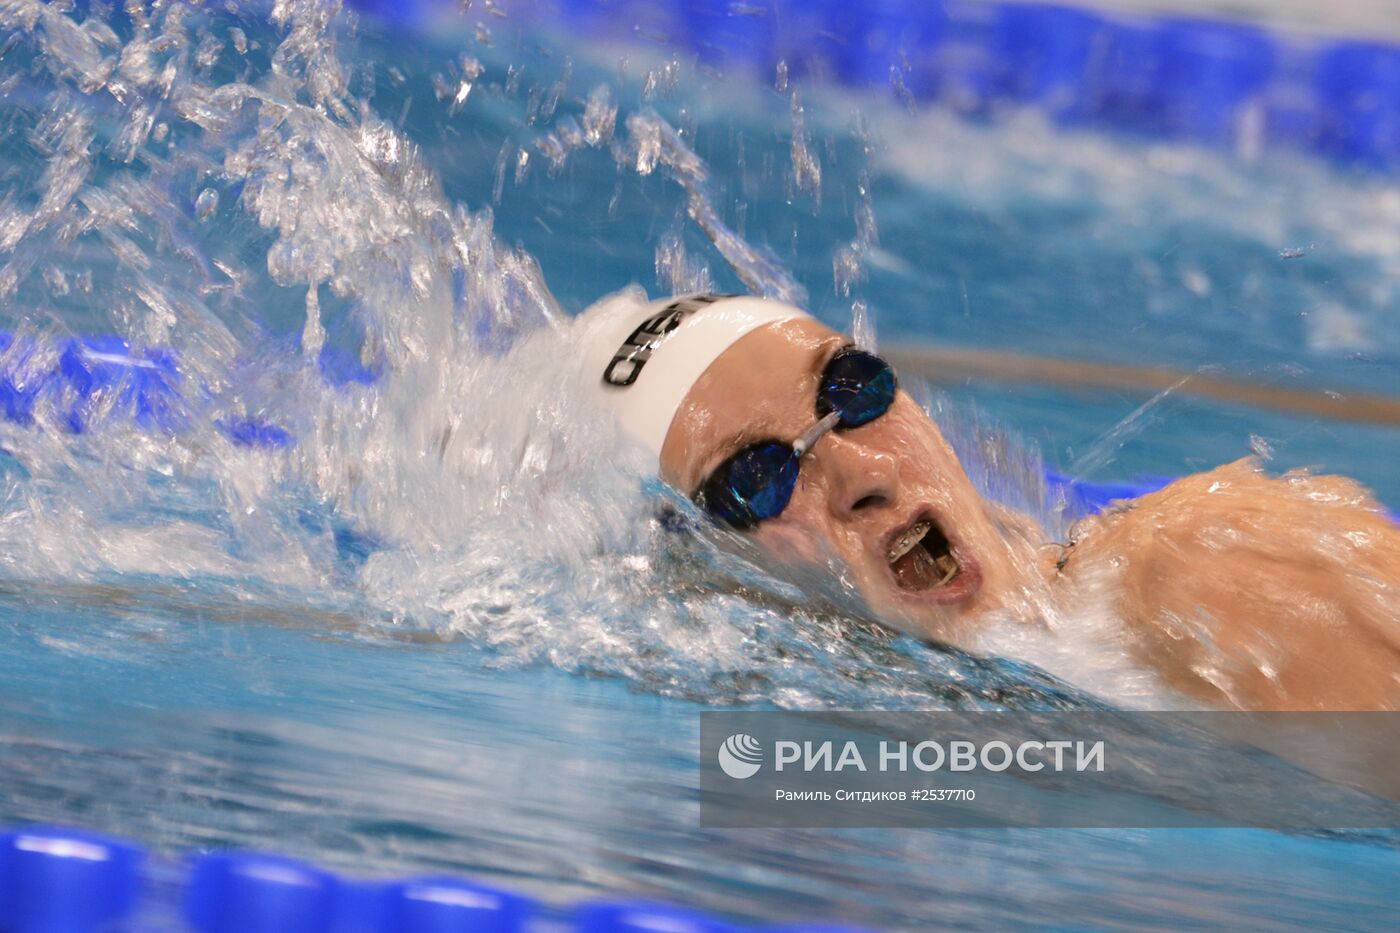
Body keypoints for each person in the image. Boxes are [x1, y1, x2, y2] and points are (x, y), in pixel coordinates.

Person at [577, 289, 1400, 711]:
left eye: (850, 387)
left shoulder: (1194, 570)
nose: (863, 473)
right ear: (712, 566)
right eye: (758, 475)